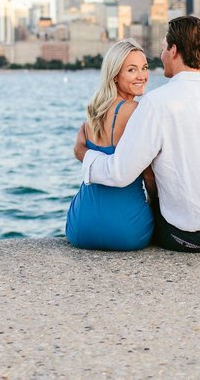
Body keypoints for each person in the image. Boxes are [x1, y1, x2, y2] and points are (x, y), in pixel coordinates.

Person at [74, 16, 200, 253]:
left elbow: (120, 174)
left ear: (173, 50)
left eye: (162, 49)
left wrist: (83, 154)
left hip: (190, 238)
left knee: (151, 215)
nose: (160, 57)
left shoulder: (155, 104)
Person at [65, 38, 155, 250]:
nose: (142, 75)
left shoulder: (93, 111)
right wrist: (158, 209)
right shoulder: (135, 110)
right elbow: (149, 175)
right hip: (127, 231)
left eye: (144, 68)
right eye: (132, 70)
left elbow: (81, 151)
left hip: (80, 228)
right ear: (115, 75)